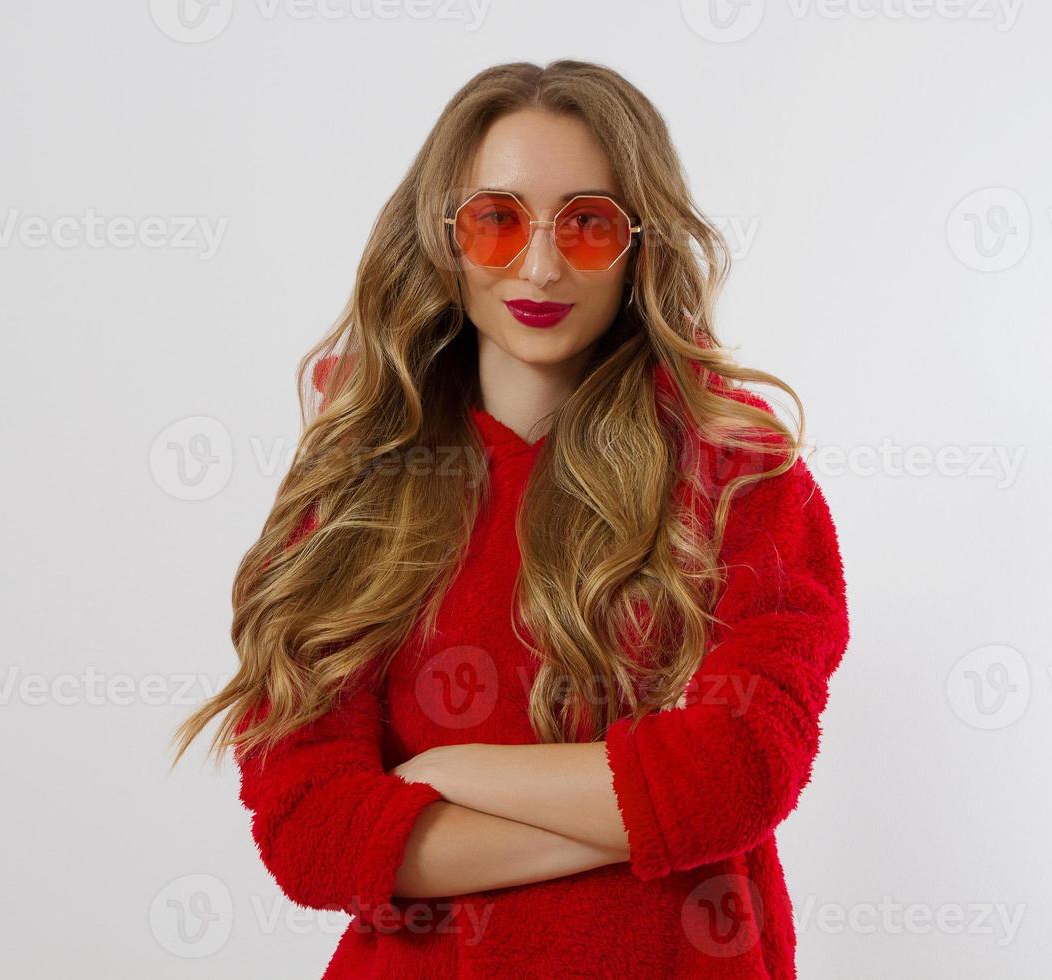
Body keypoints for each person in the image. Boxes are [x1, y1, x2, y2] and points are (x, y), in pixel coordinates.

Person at [171, 59, 851, 979]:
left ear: (640, 245)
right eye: (497, 221)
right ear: (444, 241)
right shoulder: (359, 483)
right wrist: (649, 823)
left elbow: (739, 774)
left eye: (587, 223)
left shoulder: (736, 471)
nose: (539, 265)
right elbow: (314, 833)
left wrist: (446, 776)